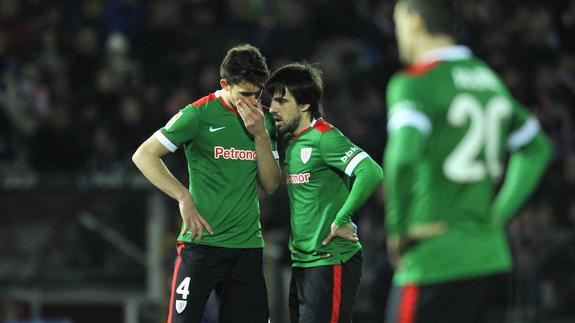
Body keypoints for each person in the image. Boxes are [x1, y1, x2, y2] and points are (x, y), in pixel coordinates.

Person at [383, 1, 554, 322]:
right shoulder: (489, 81)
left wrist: (399, 229)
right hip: (492, 261)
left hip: (436, 260)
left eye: (397, 22)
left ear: (414, 21)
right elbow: (537, 149)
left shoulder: (415, 82)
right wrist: (497, 215)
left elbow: (402, 158)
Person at [132, 44, 280, 323]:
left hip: (246, 247)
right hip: (201, 244)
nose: (252, 101)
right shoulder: (198, 115)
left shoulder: (264, 121)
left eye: (257, 93)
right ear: (225, 84)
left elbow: (271, 185)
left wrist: (260, 135)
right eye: (244, 94)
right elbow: (144, 155)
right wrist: (182, 196)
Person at [266, 62, 384, 323]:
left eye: (282, 101)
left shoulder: (325, 138)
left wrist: (342, 218)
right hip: (302, 262)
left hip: (331, 261)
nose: (273, 108)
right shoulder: (289, 140)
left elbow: (371, 172)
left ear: (305, 105)